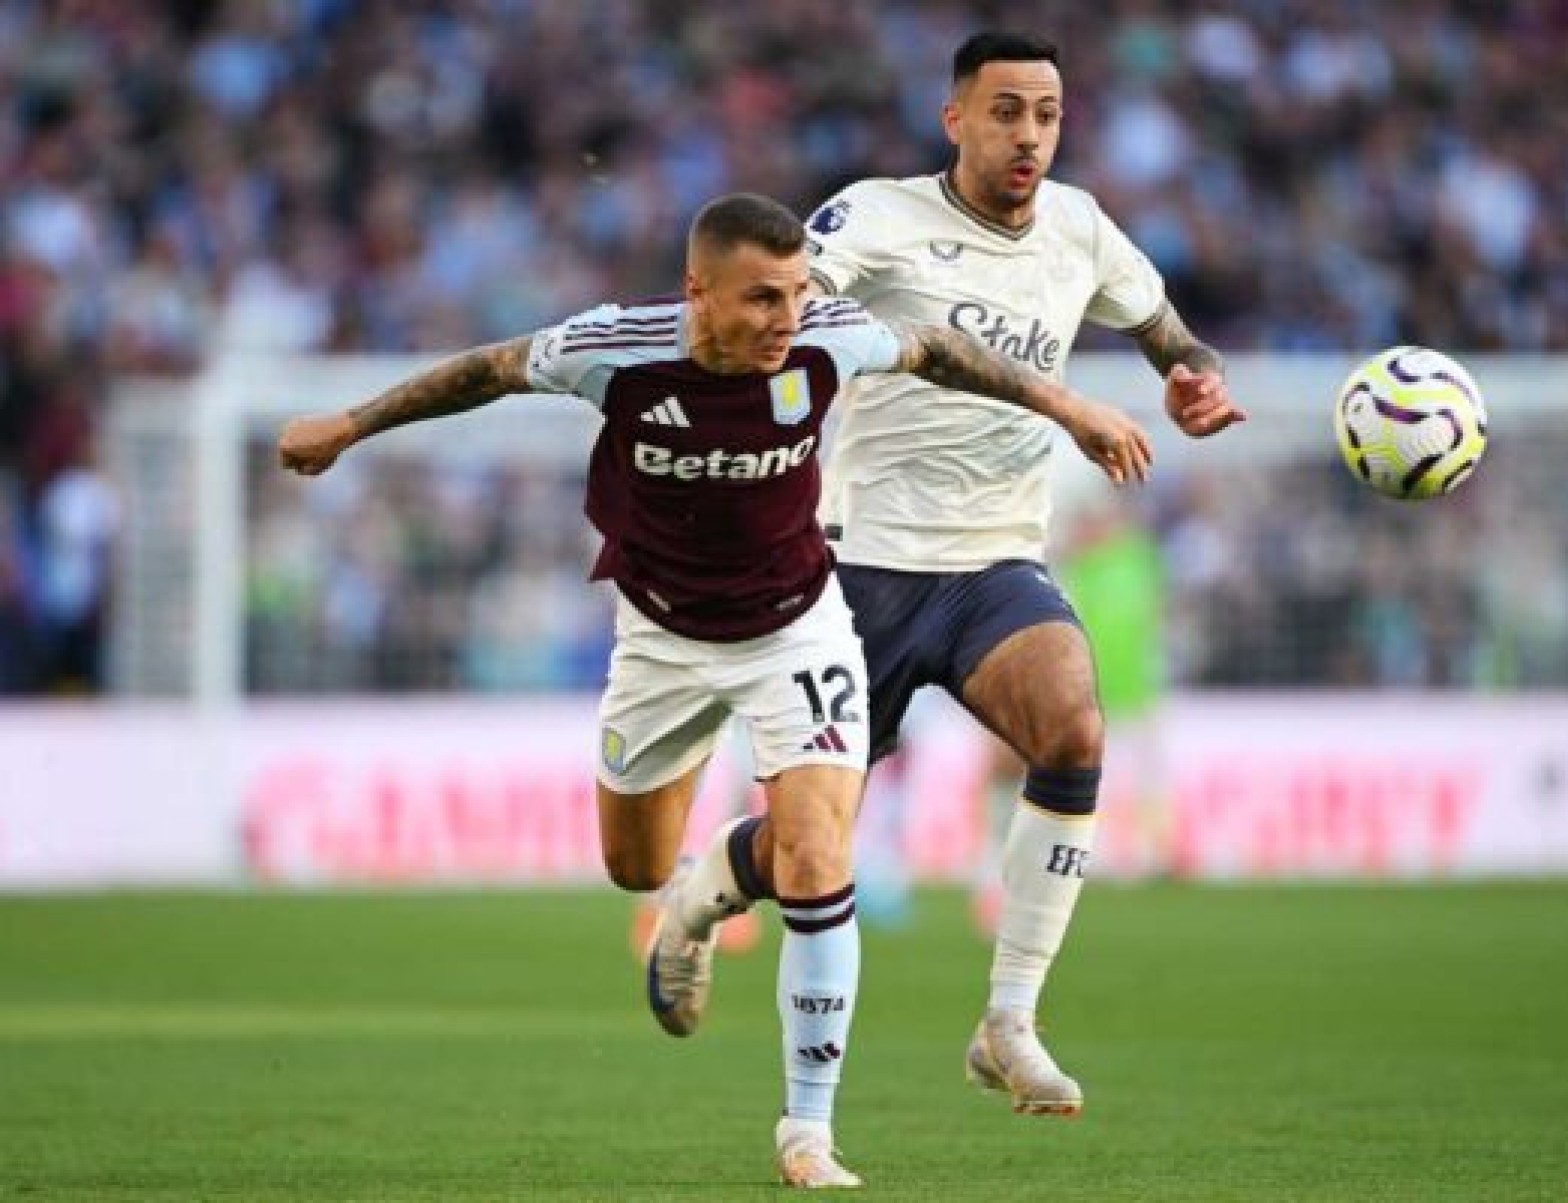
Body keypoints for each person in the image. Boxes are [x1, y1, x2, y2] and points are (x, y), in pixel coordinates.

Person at [276, 192, 1150, 1188]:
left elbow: (943, 351)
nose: (787, 318)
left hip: (799, 625)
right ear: (699, 292)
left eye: (795, 295)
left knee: (820, 846)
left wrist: (1072, 407)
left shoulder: (828, 336)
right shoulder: (617, 348)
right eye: (762, 301)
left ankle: (807, 1131)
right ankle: (692, 902)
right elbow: (483, 372)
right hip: (661, 640)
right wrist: (347, 425)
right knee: (632, 861)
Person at [666, 33, 1246, 1117]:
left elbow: (1173, 336)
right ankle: (700, 898)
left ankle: (1009, 1023)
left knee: (1073, 729)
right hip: (860, 565)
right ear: (956, 121)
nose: (1028, 135)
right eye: (1005, 113)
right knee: (809, 847)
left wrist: (1196, 382)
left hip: (994, 565)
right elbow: (793, 304)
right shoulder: (877, 217)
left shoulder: (1079, 229)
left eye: (1046, 116)